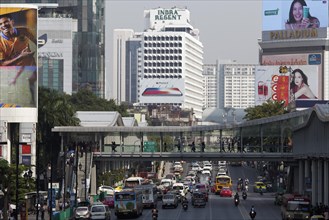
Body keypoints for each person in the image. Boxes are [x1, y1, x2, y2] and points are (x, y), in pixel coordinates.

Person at [0, 13, 37, 105]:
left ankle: (33, 101)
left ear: (12, 22)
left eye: (5, 22)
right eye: (0, 24)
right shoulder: (1, 42)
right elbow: (2, 63)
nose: (3, 25)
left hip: (29, 65)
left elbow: (37, 43)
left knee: (31, 83)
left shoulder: (24, 31)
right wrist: (21, 56)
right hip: (12, 70)